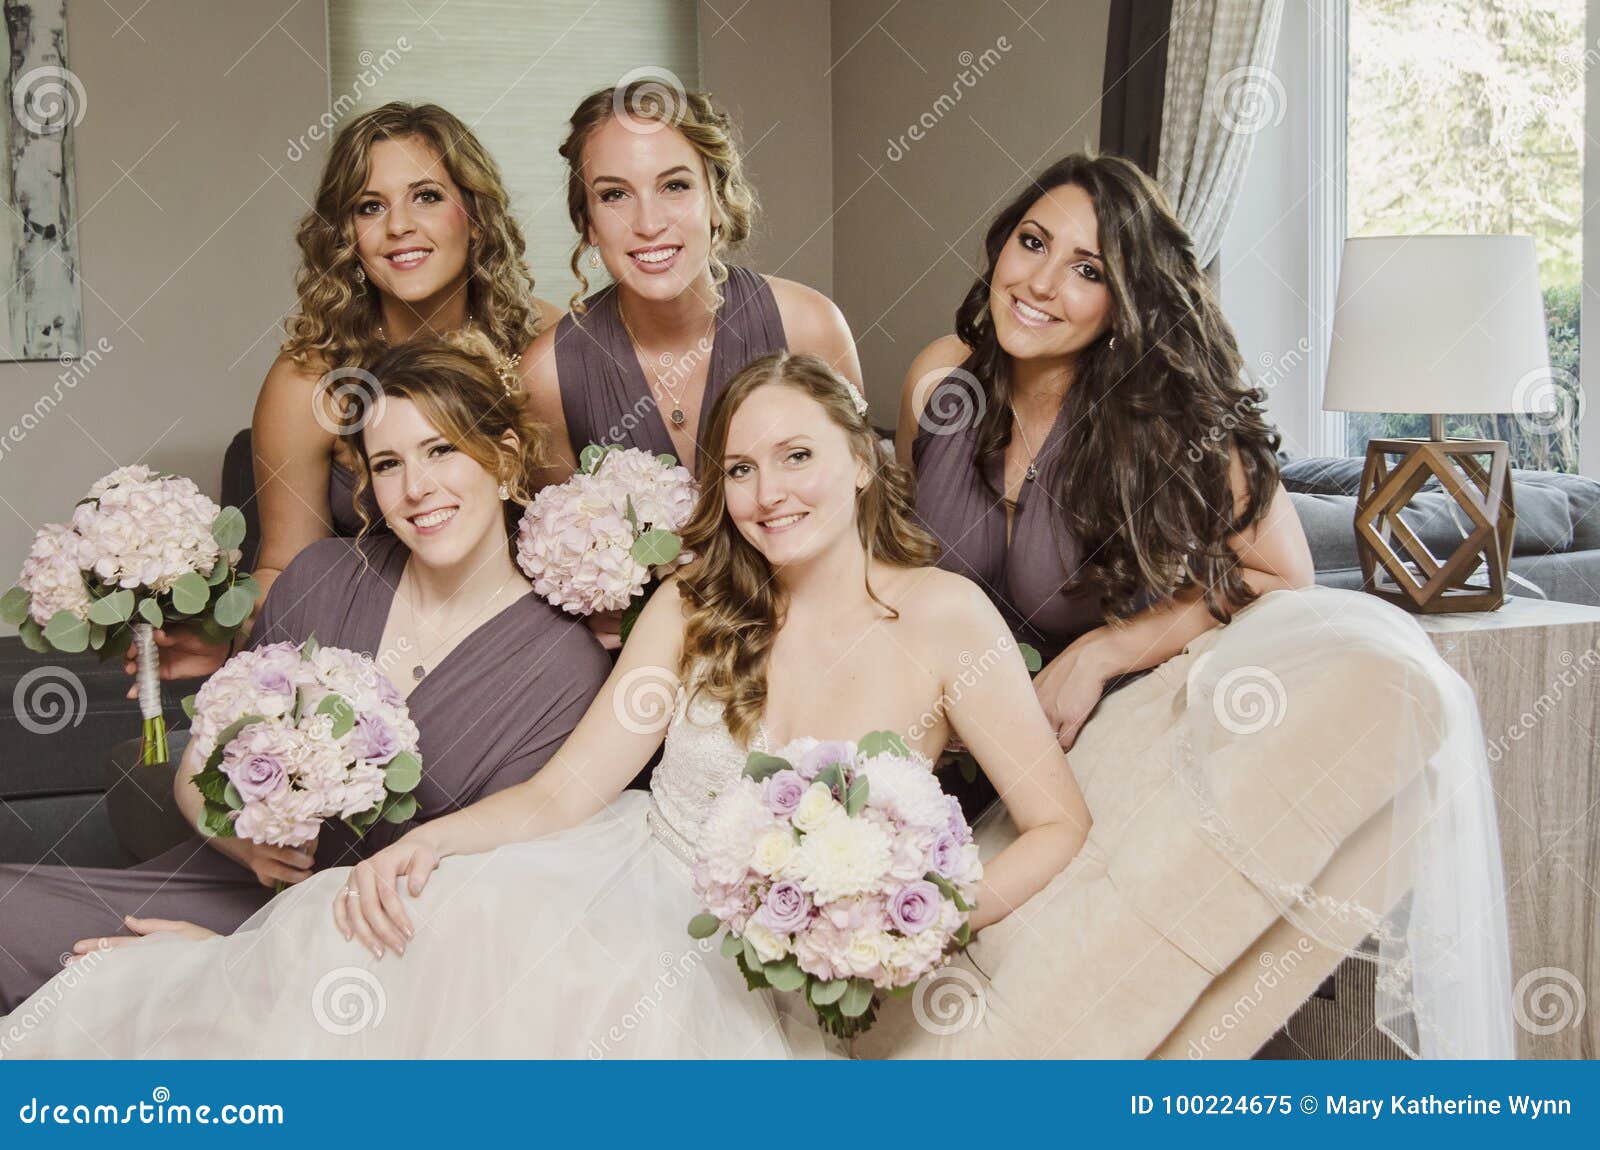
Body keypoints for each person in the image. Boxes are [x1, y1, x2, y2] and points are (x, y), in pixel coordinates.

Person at [0, 353, 1090, 1058]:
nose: (771, 494)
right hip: (613, 877)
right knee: (393, 958)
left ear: (860, 458)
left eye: (796, 456)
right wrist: (417, 851)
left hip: (769, 960)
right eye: (742, 468)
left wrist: (907, 925)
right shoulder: (696, 604)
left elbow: (1057, 823)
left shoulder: (947, 619)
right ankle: (187, 989)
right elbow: (566, 788)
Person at [0, 335, 610, 1013]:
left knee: (126, 1002)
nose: (416, 489)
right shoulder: (321, 579)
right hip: (231, 887)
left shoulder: (563, 667)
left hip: (373, 953)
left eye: (442, 450)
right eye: (387, 463)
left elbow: (474, 908)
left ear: (504, 458)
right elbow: (197, 766)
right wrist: (238, 844)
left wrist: (214, 961)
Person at [131, 101, 561, 685]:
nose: (399, 226)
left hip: (532, 649)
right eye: (370, 206)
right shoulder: (309, 381)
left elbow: (583, 527)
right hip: (367, 665)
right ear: (348, 236)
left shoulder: (544, 346)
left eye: (427, 196)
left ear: (475, 216)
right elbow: (285, 567)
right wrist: (221, 634)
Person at [897, 153, 1313, 751]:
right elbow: (901, 564)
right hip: (948, 744)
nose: (1041, 283)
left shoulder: (1172, 418)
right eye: (1033, 242)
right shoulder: (939, 380)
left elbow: (1286, 574)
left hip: (1108, 739)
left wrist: (1103, 651)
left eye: (1087, 271)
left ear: (1126, 298)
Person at [522, 83, 862, 649]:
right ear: (586, 222)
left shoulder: (809, 327)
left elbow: (866, 524)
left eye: (675, 186)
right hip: (640, 675)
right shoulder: (548, 376)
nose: (648, 222)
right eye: (614, 195)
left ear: (718, 199)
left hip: (816, 645)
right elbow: (558, 575)